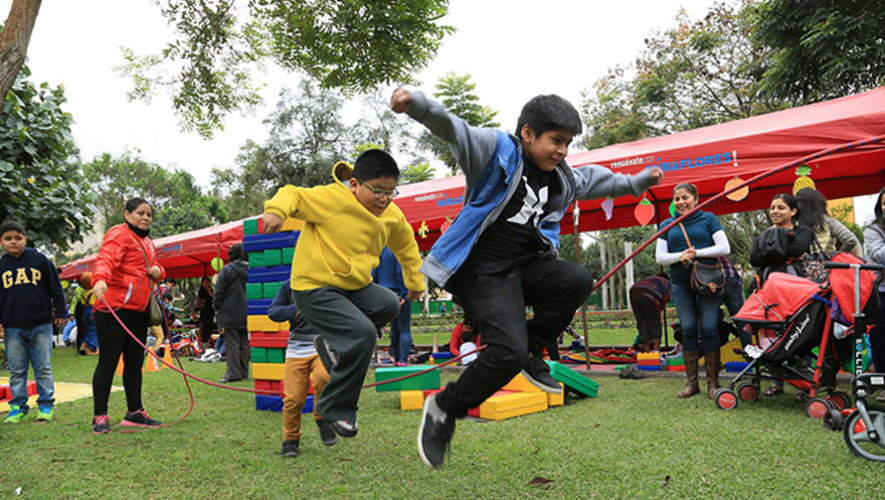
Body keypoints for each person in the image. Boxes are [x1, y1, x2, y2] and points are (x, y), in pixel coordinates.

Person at [392, 88, 661, 467]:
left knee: (577, 279)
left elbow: (593, 180)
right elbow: (456, 130)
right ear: (528, 133)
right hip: (481, 271)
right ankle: (444, 408)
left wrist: (635, 183)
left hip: (525, 267)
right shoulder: (497, 151)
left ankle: (533, 348)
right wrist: (417, 106)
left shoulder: (561, 176)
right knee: (506, 353)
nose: (563, 151)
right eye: (556, 141)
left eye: (568, 143)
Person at [262, 148, 425, 440]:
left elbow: (406, 246)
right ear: (355, 185)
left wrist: (415, 283)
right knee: (363, 334)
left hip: (354, 287)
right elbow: (293, 194)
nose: (384, 199)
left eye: (391, 192)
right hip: (313, 286)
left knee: (389, 303)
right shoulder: (332, 200)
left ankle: (333, 343)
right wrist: (277, 210)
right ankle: (337, 407)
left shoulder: (392, 215)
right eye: (377, 191)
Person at [90, 198, 165, 434]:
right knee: (109, 362)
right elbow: (106, 258)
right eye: (140, 213)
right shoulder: (119, 234)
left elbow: (156, 267)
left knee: (134, 363)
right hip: (113, 309)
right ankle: (100, 416)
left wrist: (158, 271)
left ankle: (135, 412)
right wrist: (100, 279)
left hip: (138, 311)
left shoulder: (147, 242)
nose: (145, 218)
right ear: (126, 214)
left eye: (149, 215)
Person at [655, 183, 730, 400]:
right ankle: (692, 383)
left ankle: (713, 383)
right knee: (687, 328)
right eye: (676, 199)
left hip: (708, 282)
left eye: (685, 197)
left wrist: (695, 253)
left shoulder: (708, 219)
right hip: (680, 283)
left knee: (709, 328)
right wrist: (680, 257)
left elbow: (724, 248)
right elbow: (660, 257)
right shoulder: (667, 224)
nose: (680, 202)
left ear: (696, 199)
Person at [748, 193, 815, 395]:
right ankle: (777, 383)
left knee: (801, 330)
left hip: (799, 287)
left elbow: (799, 249)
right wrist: (784, 249)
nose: (775, 212)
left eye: (781, 208)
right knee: (771, 330)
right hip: (769, 288)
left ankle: (805, 383)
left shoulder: (803, 231)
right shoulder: (764, 234)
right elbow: (754, 259)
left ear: (793, 211)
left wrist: (772, 251)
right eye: (772, 208)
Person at [0, 220, 66, 423]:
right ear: (1, 242)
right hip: (12, 326)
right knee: (17, 369)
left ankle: (46, 405)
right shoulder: (1, 265)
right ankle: (18, 407)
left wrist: (61, 311)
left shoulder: (39, 260)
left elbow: (56, 287)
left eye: (18, 238)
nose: (13, 242)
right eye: (8, 239)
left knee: (42, 366)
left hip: (41, 323)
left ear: (25, 239)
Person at [267, 279, 336, 458]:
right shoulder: (289, 285)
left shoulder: (327, 282)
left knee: (323, 377)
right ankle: (291, 440)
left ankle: (322, 418)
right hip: (296, 347)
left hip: (322, 343)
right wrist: (295, 311)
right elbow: (273, 312)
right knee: (293, 399)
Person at [213, 243, 249, 383]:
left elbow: (219, 291)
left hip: (229, 311)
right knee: (244, 341)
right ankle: (243, 371)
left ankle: (233, 373)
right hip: (247, 310)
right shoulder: (251, 270)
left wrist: (216, 308)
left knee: (232, 342)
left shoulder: (227, 270)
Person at [372, 247, 413, 367]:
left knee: (394, 328)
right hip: (398, 292)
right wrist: (404, 293)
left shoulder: (379, 249)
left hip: (384, 293)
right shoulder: (398, 248)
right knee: (404, 328)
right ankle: (403, 360)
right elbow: (400, 271)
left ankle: (395, 358)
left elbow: (374, 273)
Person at [795, 188, 862, 258]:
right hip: (827, 266)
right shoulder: (828, 221)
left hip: (799, 266)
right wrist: (835, 257)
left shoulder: (793, 224)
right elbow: (850, 240)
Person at [863, 186, 885, 376]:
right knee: (880, 337)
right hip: (881, 291)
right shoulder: (873, 229)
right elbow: (879, 255)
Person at [629, 272, 670, 352]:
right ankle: (655, 351)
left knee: (642, 322)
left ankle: (646, 352)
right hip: (649, 293)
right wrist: (660, 308)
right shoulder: (668, 283)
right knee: (655, 322)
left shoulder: (650, 279)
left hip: (633, 291)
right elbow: (666, 298)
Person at [67, 273, 92, 353]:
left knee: (81, 330)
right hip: (87, 311)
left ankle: (81, 347)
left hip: (81, 312)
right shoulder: (92, 290)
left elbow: (74, 302)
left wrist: (71, 313)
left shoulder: (79, 289)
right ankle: (87, 346)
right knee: (90, 329)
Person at [197, 276, 215, 347]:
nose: (205, 283)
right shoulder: (201, 291)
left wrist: (209, 290)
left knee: (210, 325)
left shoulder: (212, 290)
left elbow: (214, 298)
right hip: (204, 311)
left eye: (206, 282)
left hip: (211, 310)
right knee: (204, 326)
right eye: (203, 282)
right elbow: (201, 300)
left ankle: (209, 341)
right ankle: (204, 342)